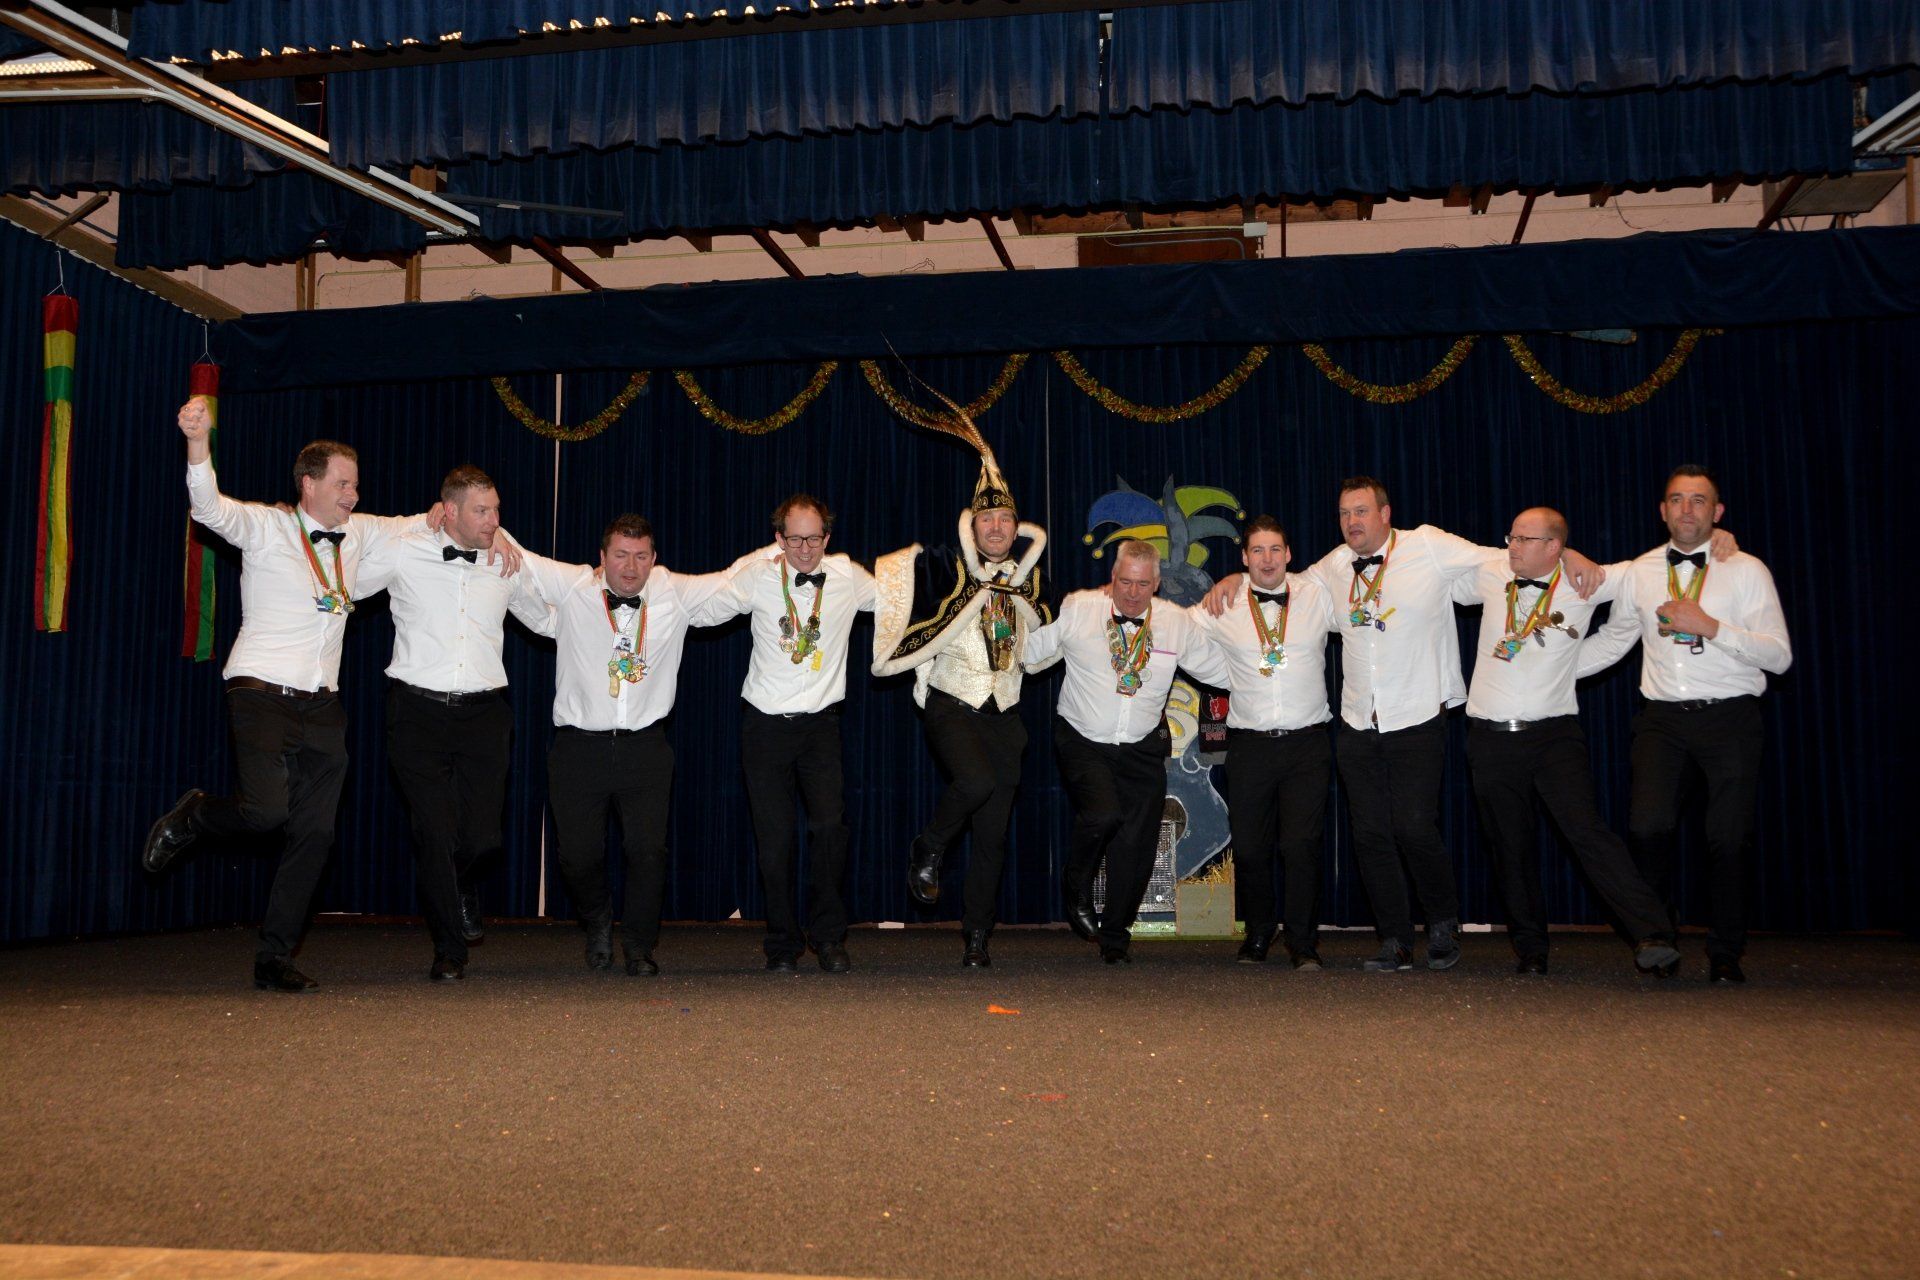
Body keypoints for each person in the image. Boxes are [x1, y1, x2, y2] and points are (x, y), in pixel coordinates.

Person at [142, 396, 512, 992]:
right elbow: (208, 508)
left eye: (356, 485)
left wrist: (498, 538)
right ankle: (196, 814)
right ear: (308, 484)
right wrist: (197, 443)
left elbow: (437, 521)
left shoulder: (361, 533)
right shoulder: (266, 528)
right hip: (259, 691)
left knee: (316, 834)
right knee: (266, 813)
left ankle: (274, 957)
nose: (353, 495)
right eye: (343, 484)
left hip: (323, 706)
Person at [1207, 476, 1603, 973]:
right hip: (1358, 721)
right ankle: (1394, 938)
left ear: (1385, 513)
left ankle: (1441, 921)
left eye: (1361, 511)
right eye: (1344, 513)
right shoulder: (1334, 566)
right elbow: (1281, 581)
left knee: (1414, 826)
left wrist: (1568, 556)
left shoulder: (1428, 546)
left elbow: (1503, 559)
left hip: (1417, 714)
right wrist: (1234, 580)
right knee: (1370, 835)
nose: (1352, 521)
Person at [1577, 466, 1791, 983]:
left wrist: (1711, 627)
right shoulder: (1642, 571)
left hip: (1730, 717)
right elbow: (1614, 640)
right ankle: (1658, 938)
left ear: (1717, 512)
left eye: (1698, 501)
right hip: (1663, 719)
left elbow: (1779, 657)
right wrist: (1545, 670)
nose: (1687, 510)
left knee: (1728, 838)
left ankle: (1726, 952)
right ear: (1662, 510)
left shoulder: (1747, 570)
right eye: (1677, 500)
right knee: (1646, 828)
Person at [1454, 506, 1683, 977]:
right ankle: (1531, 949)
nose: (1513, 547)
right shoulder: (1492, 570)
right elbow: (1435, 571)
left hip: (1553, 736)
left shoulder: (1586, 581)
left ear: (1554, 547)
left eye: (1525, 540)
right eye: (1512, 537)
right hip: (1490, 737)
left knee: (1588, 834)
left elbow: (1646, 571)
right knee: (1509, 847)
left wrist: (1715, 544)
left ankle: (1652, 933)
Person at [510, 514, 743, 977]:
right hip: (578, 749)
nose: (630, 567)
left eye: (640, 556)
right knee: (577, 856)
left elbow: (732, 579)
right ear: (602, 558)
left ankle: (639, 944)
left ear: (654, 560)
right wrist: (475, 528)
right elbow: (524, 561)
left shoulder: (673, 592)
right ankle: (597, 918)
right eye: (620, 555)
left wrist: (781, 551)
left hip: (646, 750)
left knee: (648, 853)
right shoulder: (575, 589)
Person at [356, 465, 548, 982]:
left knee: (484, 837)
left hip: (485, 714)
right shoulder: (405, 551)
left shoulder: (505, 557)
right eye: (482, 511)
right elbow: (346, 578)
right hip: (416, 713)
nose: (494, 519)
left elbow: (547, 618)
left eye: (497, 510)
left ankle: (460, 883)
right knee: (434, 832)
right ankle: (448, 949)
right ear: (450, 511)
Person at [872, 426, 1049, 968]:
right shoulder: (945, 569)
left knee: (993, 834)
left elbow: (1046, 642)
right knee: (975, 781)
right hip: (952, 703)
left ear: (1017, 527)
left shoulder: (1032, 581)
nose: (996, 528)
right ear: (972, 526)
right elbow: (903, 594)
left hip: (1006, 713)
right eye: (986, 519)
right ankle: (928, 846)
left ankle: (977, 935)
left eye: (1005, 519)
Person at [1023, 539, 1229, 963]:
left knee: (1136, 845)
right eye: (1125, 582)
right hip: (1082, 737)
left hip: (1141, 746)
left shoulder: (1175, 623)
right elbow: (1028, 653)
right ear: (1111, 578)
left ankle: (1115, 937)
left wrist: (1269, 674)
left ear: (1157, 584)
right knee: (1103, 814)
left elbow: (1221, 671)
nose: (1133, 593)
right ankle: (1076, 881)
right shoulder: (1079, 608)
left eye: (1142, 584)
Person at [717, 495, 877, 974]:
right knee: (775, 839)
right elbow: (702, 602)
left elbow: (901, 601)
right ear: (778, 539)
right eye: (794, 539)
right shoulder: (758, 576)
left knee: (830, 829)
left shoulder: (848, 577)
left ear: (827, 538)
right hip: (765, 726)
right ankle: (783, 943)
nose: (804, 549)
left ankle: (828, 938)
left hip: (821, 726)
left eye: (813, 538)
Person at [1187, 516, 1337, 969]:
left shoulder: (1316, 593)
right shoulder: (1225, 602)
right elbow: (1180, 631)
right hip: (1250, 746)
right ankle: (1258, 931)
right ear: (1244, 558)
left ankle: (1303, 941)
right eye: (1257, 551)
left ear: (1289, 555)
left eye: (1275, 550)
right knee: (1251, 848)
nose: (1267, 559)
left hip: (1308, 744)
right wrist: (1221, 675)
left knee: (1301, 846)